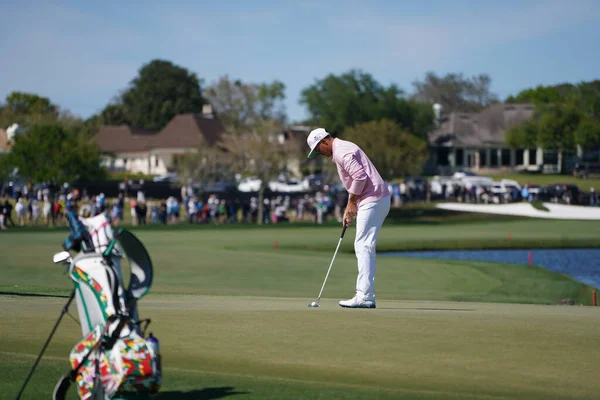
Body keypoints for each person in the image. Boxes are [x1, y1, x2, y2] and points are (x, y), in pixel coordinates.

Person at [306, 128, 391, 309]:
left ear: (324, 141)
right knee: (364, 244)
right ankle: (366, 294)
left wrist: (351, 203)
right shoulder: (341, 150)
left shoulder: (342, 151)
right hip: (374, 198)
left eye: (318, 149)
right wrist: (350, 206)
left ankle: (364, 295)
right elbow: (356, 180)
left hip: (373, 198)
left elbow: (360, 177)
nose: (319, 154)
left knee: (362, 245)